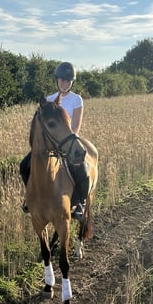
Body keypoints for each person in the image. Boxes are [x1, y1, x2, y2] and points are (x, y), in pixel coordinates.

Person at [20, 61, 90, 220]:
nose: (65, 84)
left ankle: (80, 202)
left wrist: (66, 144)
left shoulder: (76, 99)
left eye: (68, 81)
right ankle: (30, 198)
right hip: (49, 143)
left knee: (82, 170)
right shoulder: (48, 100)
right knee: (24, 166)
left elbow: (76, 126)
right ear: (56, 80)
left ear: (72, 82)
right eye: (62, 80)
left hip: (68, 141)